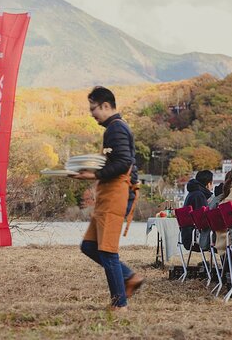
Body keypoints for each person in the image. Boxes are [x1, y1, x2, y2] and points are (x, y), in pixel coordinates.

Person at [73, 86, 144, 312]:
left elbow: (123, 163)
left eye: (93, 109)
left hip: (116, 196)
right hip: (108, 196)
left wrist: (93, 174)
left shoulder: (116, 129)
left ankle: (119, 304)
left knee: (107, 250)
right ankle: (129, 277)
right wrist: (90, 168)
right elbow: (118, 161)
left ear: (106, 105)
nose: (91, 114)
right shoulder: (113, 129)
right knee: (89, 246)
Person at [181, 170, 214, 249]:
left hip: (187, 235)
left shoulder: (192, 193)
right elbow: (203, 220)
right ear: (208, 184)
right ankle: (228, 260)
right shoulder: (199, 196)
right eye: (212, 183)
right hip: (194, 238)